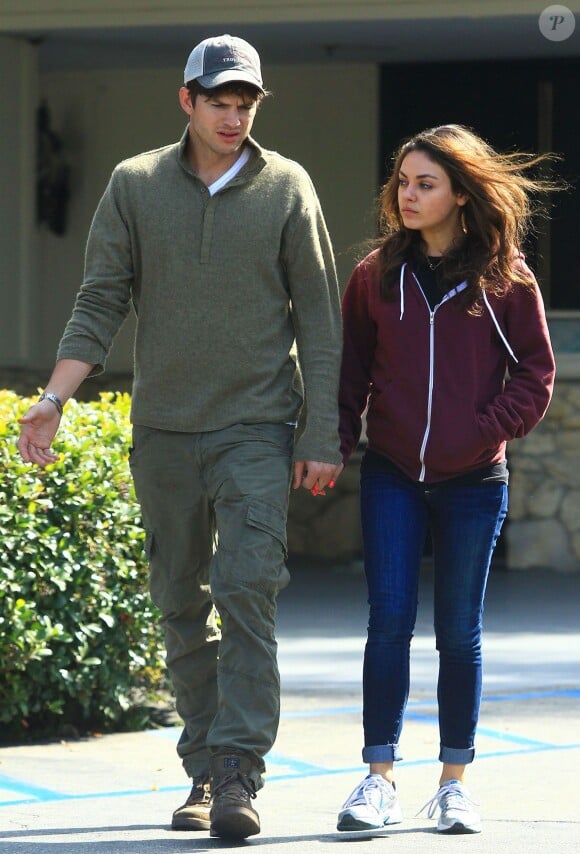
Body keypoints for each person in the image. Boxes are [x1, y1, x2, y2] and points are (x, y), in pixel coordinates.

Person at [17, 34, 341, 841]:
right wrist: (56, 396)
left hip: (258, 425)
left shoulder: (287, 187)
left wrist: (324, 432)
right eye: (219, 102)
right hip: (162, 428)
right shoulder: (135, 184)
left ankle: (237, 771)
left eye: (246, 104)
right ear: (187, 101)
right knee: (178, 601)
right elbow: (100, 301)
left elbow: (320, 322)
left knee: (248, 588)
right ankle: (202, 761)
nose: (233, 117)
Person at [333, 124, 556, 834]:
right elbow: (350, 373)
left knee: (459, 634)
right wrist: (336, 444)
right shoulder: (375, 275)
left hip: (473, 480)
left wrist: (482, 428)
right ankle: (377, 780)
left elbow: (536, 373)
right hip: (393, 472)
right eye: (403, 182)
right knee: (388, 623)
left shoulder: (505, 278)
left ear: (461, 194)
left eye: (426, 184)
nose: (409, 195)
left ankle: (455, 784)